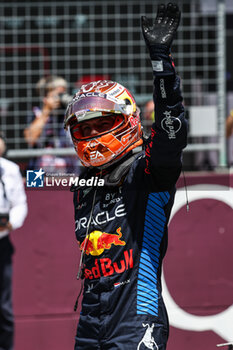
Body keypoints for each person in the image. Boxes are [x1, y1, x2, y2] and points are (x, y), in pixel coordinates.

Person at [64, 3, 187, 349]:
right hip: (91, 318)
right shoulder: (82, 186)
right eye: (84, 129)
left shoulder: (147, 173)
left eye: (103, 125)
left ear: (129, 121)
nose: (92, 136)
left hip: (137, 317)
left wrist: (162, 65)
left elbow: (171, 134)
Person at [0, 134, 28, 350]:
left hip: (2, 242)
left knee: (4, 308)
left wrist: (9, 224)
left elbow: (19, 204)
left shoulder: (9, 169)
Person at [24, 75, 76, 172]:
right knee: (34, 187)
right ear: (45, 97)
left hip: (68, 172)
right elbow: (30, 139)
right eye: (57, 95)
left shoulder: (71, 114)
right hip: (38, 172)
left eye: (63, 94)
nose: (60, 98)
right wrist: (46, 110)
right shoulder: (36, 113)